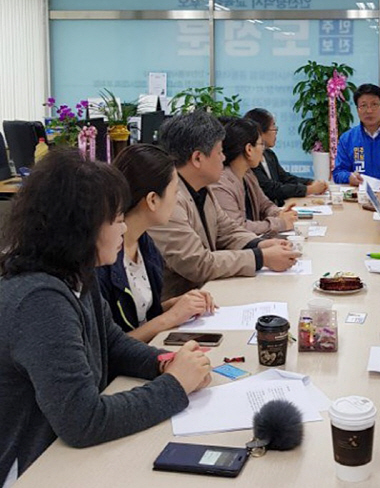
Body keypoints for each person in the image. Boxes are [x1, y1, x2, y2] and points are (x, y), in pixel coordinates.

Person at [0, 150, 211, 487]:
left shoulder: (75, 274)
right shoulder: (40, 300)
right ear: (81, 229)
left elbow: (111, 343)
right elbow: (83, 420)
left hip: (65, 456)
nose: (124, 227)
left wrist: (165, 362)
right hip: (32, 468)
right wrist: (176, 385)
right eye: (115, 219)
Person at [148, 110, 299, 300]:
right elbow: (197, 263)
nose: (223, 158)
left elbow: (227, 230)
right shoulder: (170, 199)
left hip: (205, 295)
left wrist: (261, 243)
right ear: (197, 158)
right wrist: (261, 257)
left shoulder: (202, 189)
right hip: (179, 305)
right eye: (219, 152)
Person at [96, 144, 216, 343]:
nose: (178, 199)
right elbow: (109, 348)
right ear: (152, 200)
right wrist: (171, 317)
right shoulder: (103, 257)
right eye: (175, 191)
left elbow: (143, 317)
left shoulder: (145, 244)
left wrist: (177, 305)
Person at [210, 118, 297, 236]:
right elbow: (238, 228)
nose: (263, 150)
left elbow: (265, 204)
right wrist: (280, 223)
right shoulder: (221, 184)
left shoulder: (248, 175)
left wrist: (278, 213)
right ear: (249, 149)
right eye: (261, 144)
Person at [245, 108, 328, 207]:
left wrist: (310, 182)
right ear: (260, 132)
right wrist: (309, 190)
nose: (276, 131)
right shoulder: (251, 161)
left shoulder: (269, 154)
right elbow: (272, 189)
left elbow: (285, 178)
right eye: (273, 127)